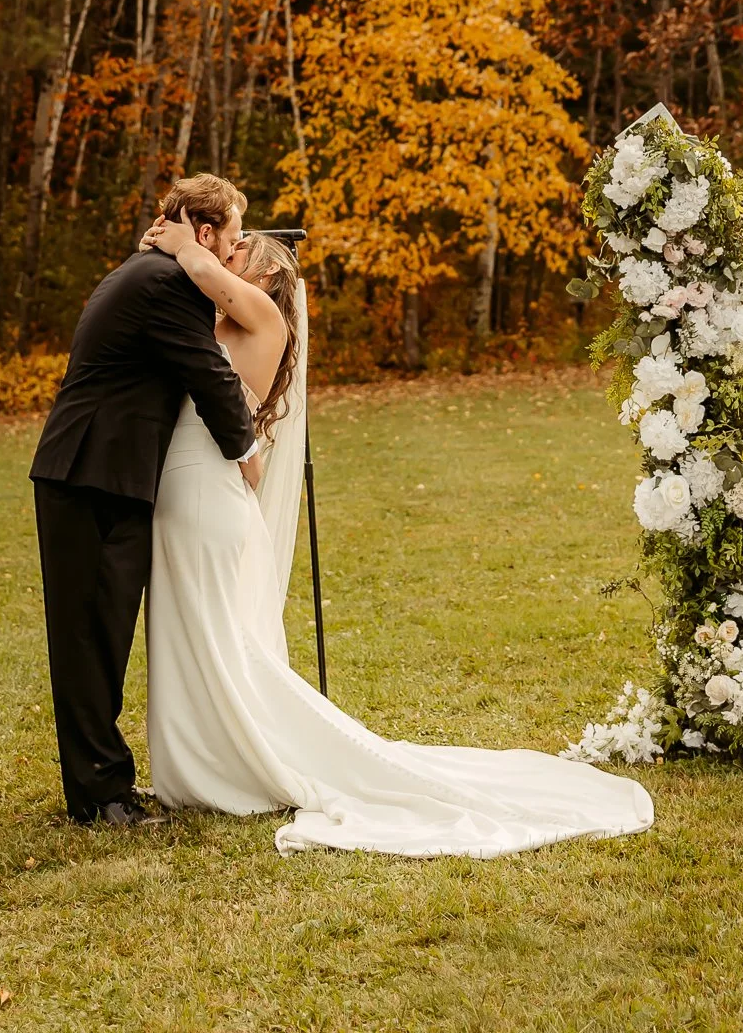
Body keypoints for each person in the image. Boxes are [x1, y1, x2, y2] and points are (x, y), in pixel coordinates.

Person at [141, 208, 655, 858]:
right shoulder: (219, 320)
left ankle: (229, 762)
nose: (232, 256)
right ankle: (206, 757)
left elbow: (200, 268)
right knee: (203, 636)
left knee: (218, 639)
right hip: (196, 492)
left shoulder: (260, 314)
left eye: (244, 253)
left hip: (205, 493)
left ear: (268, 271)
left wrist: (192, 241)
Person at [30, 174, 257, 827]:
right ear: (204, 232)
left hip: (104, 474)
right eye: (232, 238)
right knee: (88, 640)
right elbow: (209, 373)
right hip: (90, 476)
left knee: (101, 635)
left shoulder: (147, 272)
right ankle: (100, 798)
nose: (234, 253)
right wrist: (246, 453)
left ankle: (104, 786)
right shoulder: (166, 283)